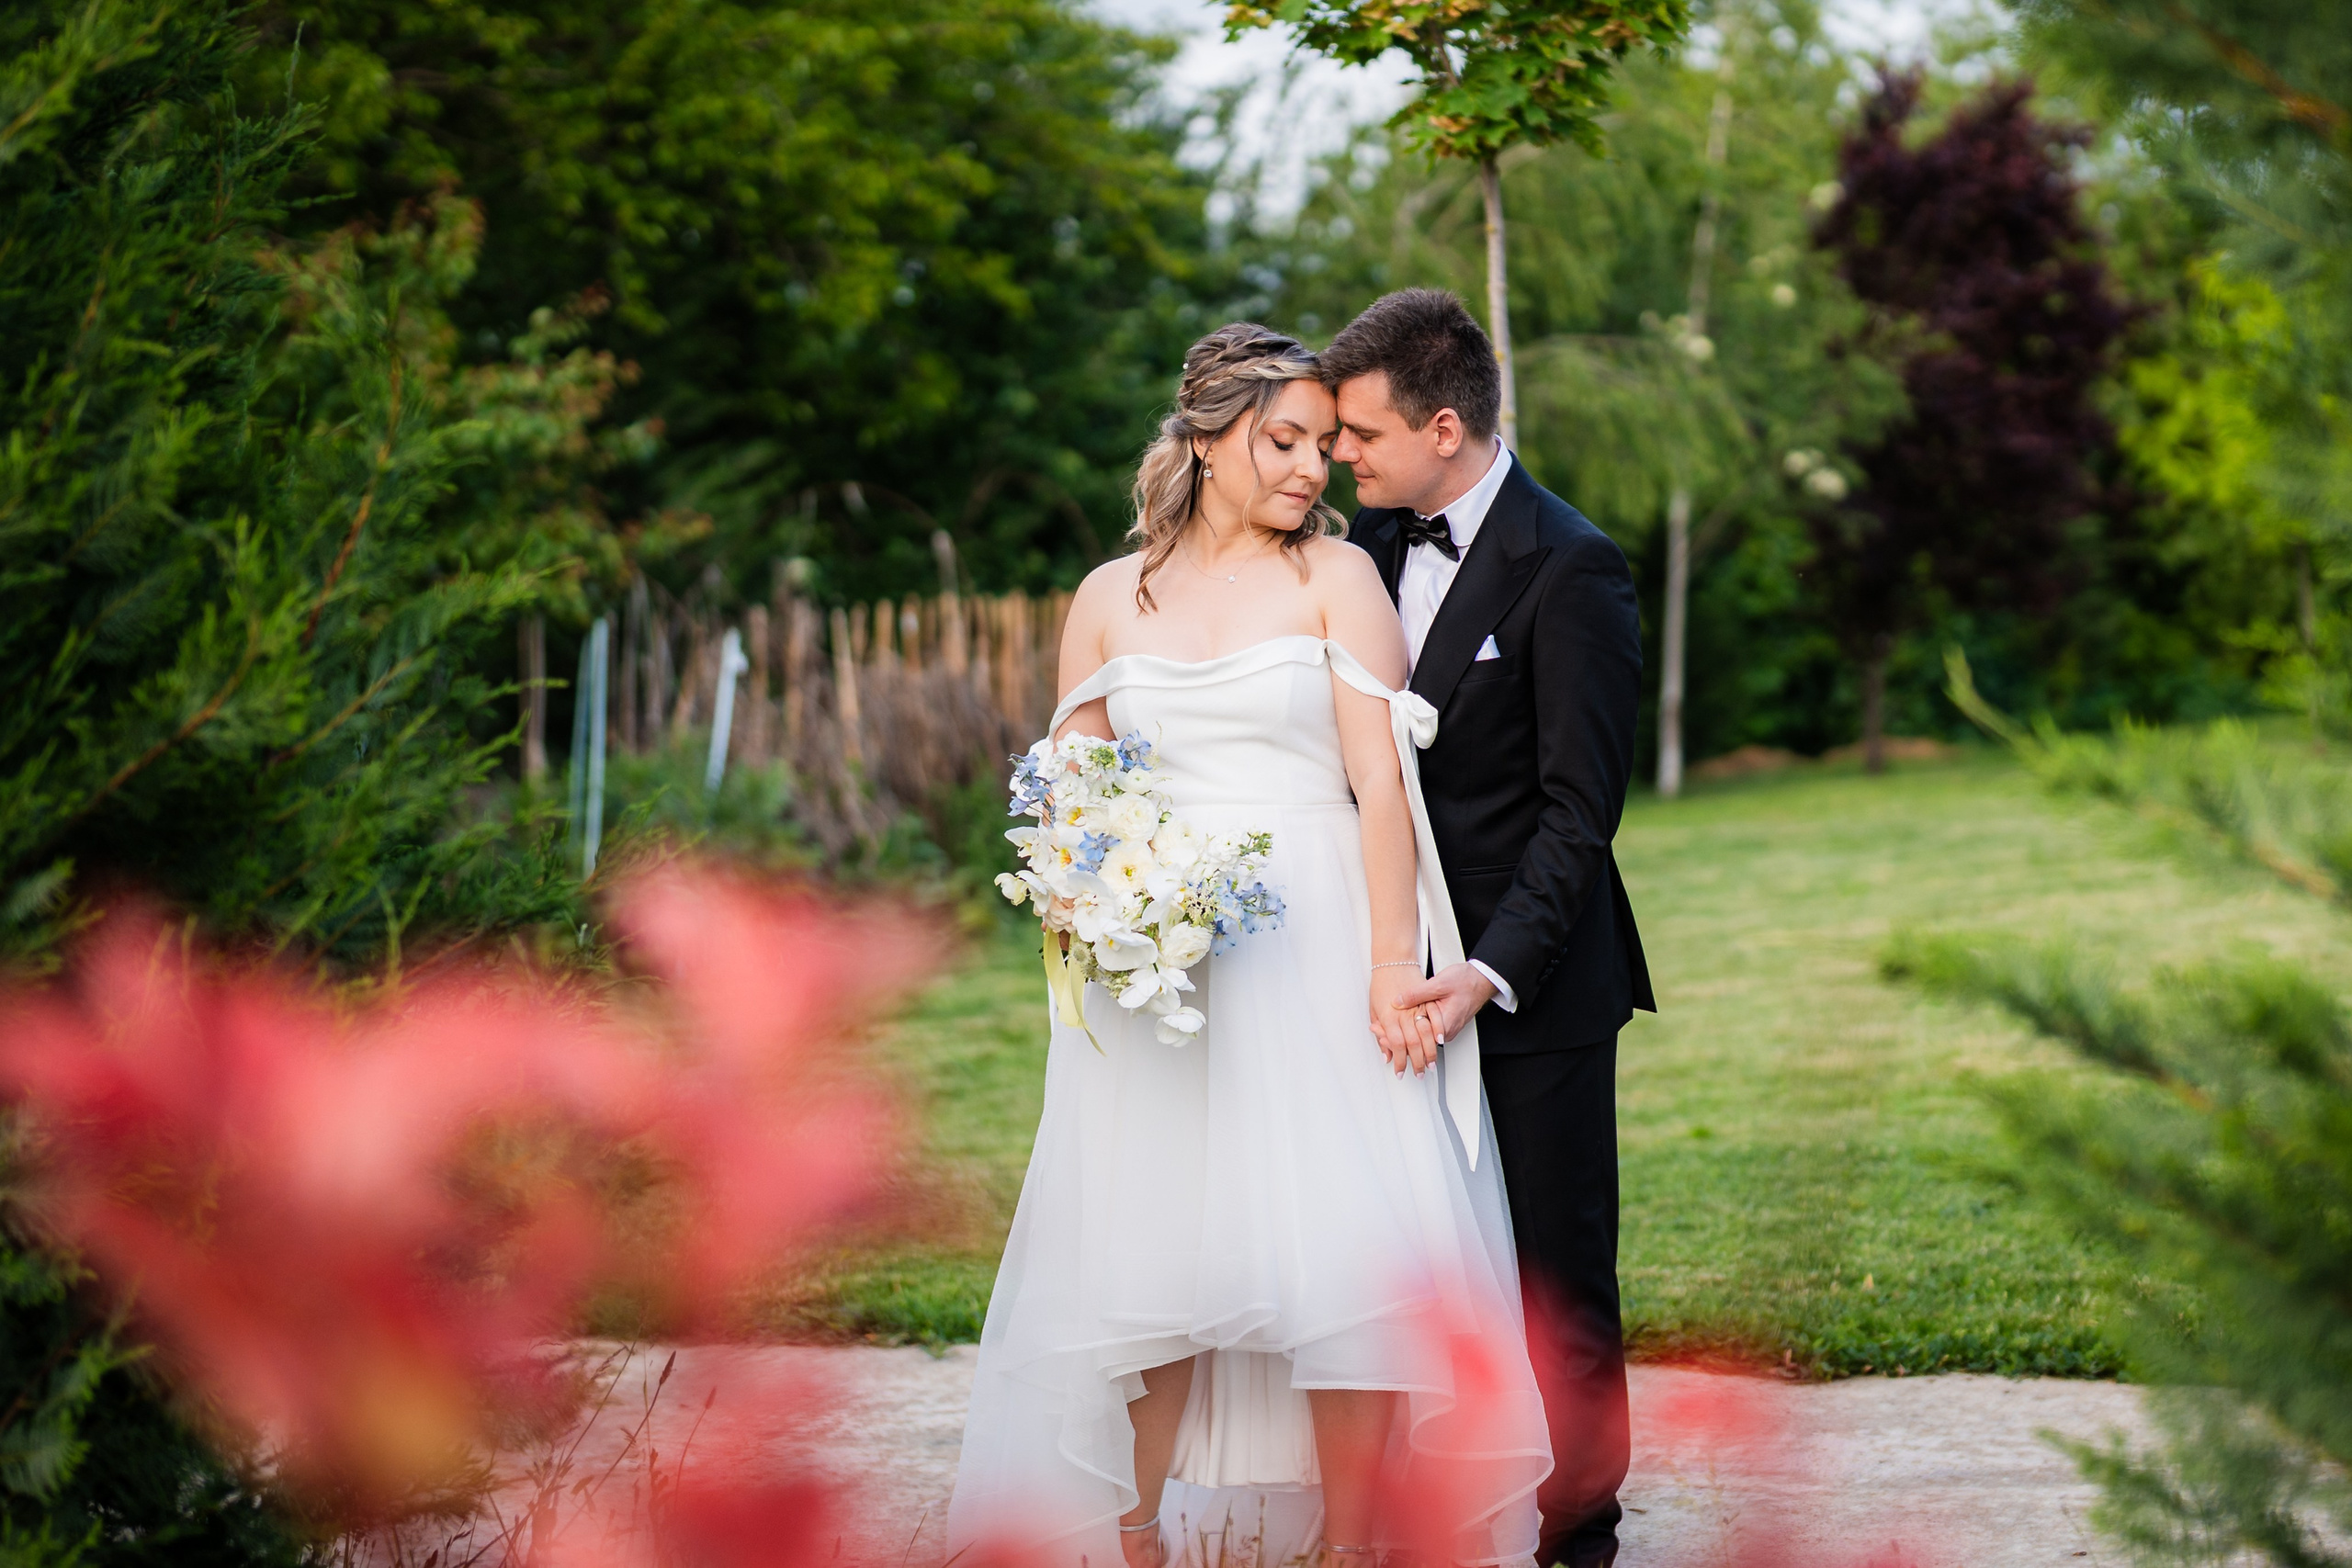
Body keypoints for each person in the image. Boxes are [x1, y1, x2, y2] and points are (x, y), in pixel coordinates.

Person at [944, 323, 1550, 1568]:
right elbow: (1075, 793)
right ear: (1208, 439)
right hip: (1161, 973)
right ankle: (1131, 1530)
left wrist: (1391, 967)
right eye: (1286, 441)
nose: (1314, 469)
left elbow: (1382, 788)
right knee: (1149, 1244)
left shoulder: (1338, 582)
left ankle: (1345, 1539)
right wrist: (1098, 923)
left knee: (1342, 1243)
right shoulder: (1111, 599)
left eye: (1327, 446)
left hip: (1318, 938)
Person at [1321, 289, 1655, 1568]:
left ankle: (1580, 1538)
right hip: (1383, 985)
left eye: (1359, 432)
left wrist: (1487, 972)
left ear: (1443, 426)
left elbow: (1582, 813)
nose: (1343, 455)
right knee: (1399, 1268)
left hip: (1535, 995)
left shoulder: (1573, 564)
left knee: (1554, 1283)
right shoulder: (1362, 548)